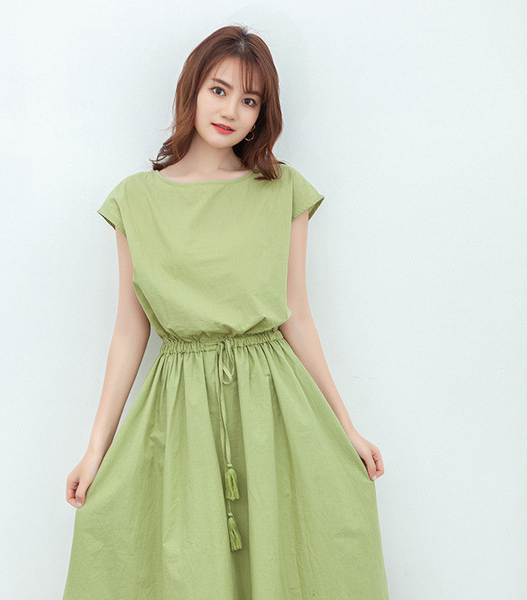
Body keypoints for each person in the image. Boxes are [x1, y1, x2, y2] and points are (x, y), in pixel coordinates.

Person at [63, 24, 390, 600]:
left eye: (249, 100)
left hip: (273, 405)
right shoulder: (136, 200)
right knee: (181, 566)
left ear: (261, 114)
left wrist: (346, 425)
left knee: (300, 550)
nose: (231, 111)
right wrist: (95, 450)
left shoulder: (281, 190)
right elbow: (130, 331)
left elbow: (296, 314)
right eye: (219, 90)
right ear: (192, 88)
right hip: (179, 408)